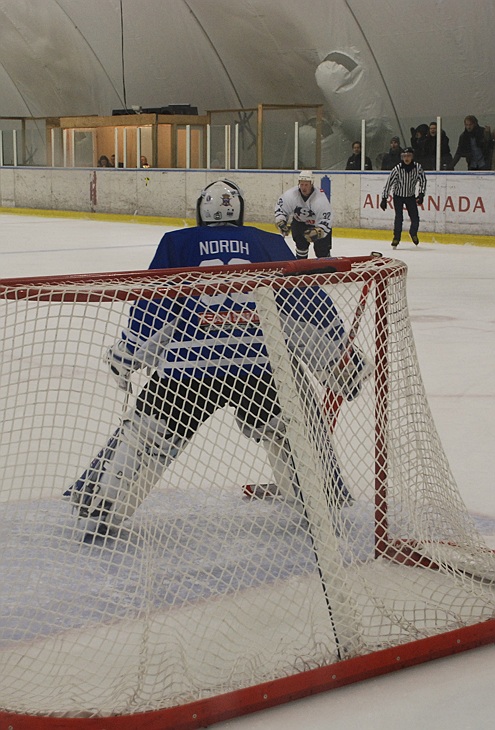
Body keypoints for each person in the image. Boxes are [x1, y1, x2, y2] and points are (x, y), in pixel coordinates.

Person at [66, 179, 370, 541]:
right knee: (295, 431)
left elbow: (156, 306)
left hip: (187, 369)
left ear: (201, 211)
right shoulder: (268, 243)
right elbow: (303, 305)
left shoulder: (177, 243)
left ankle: (100, 511)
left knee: (145, 437)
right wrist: (339, 360)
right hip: (259, 367)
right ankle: (321, 507)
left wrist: (129, 352)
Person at [274, 171, 332, 259]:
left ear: (311, 184)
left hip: (317, 225)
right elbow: (281, 208)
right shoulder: (291, 195)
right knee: (301, 247)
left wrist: (319, 231)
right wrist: (281, 220)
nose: (303, 188)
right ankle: (301, 266)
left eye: (306, 185)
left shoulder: (320, 199)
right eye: (301, 184)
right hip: (299, 223)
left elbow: (326, 218)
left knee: (322, 251)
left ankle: (327, 265)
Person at [379, 147, 427, 248]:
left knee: (415, 218)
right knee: (399, 218)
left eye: (409, 156)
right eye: (404, 156)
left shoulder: (418, 168)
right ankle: (396, 237)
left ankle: (413, 232)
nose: (406, 158)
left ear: (412, 157)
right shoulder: (397, 169)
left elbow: (423, 181)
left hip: (410, 196)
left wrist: (421, 194)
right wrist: (384, 198)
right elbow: (389, 183)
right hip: (398, 196)